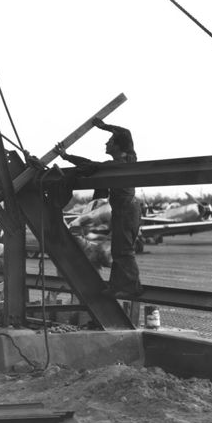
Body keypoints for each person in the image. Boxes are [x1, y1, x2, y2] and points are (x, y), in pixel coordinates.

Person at [56, 118, 143, 299]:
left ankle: (133, 287)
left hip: (127, 210)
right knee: (119, 250)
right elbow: (91, 163)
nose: (106, 142)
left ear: (118, 147)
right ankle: (118, 286)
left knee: (124, 251)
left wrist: (67, 157)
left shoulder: (119, 164)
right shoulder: (128, 160)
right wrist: (104, 127)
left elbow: (89, 165)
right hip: (125, 210)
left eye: (110, 141)